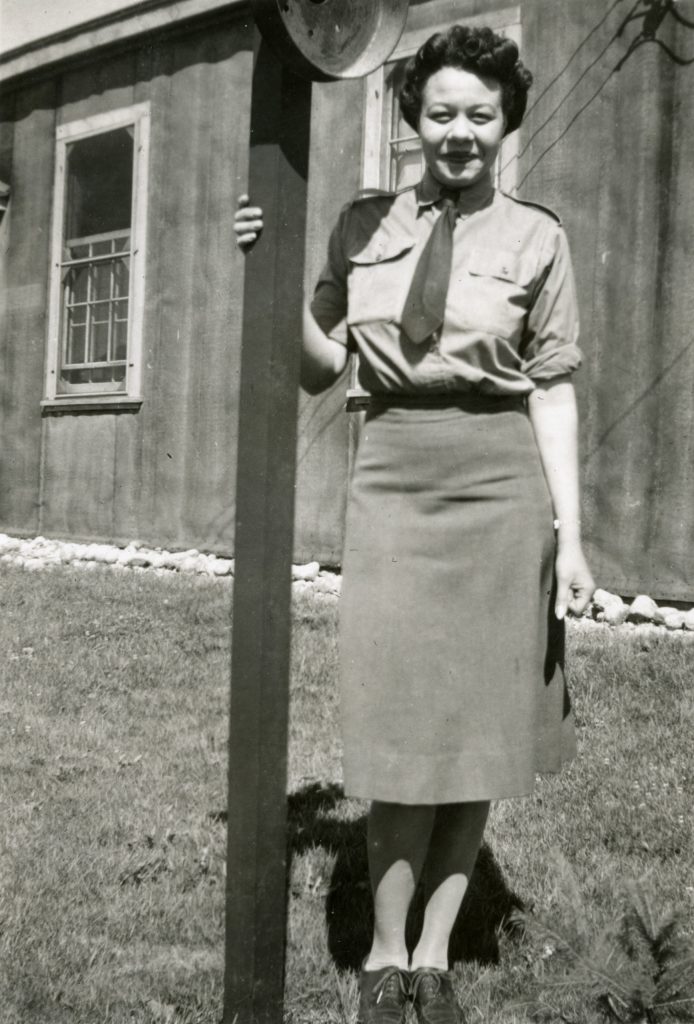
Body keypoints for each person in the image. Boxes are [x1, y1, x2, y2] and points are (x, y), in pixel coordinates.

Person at [234, 24, 594, 1024]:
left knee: (475, 735)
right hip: (393, 478)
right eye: (441, 113)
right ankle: (380, 955)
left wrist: (571, 532)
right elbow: (317, 362)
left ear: (504, 121)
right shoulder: (359, 225)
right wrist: (263, 268)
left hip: (500, 489)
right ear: (414, 120)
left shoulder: (537, 238)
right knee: (398, 736)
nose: (460, 132)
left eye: (480, 114)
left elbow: (553, 391)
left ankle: (432, 959)